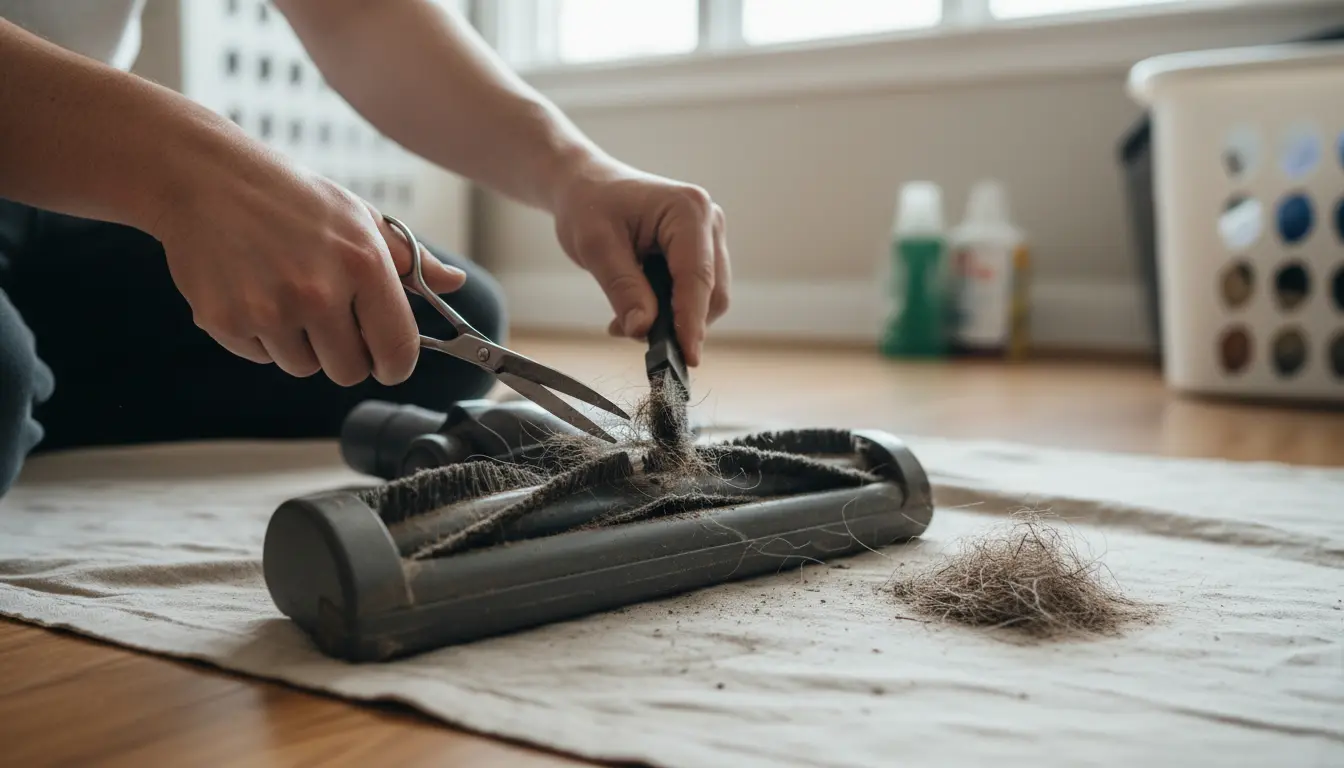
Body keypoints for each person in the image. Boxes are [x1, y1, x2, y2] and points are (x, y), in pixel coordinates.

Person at [0, 0, 732, 498]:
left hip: (66, 189)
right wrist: (184, 166)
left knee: (419, 325)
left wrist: (576, 171)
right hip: (92, 155)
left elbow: (355, 11)